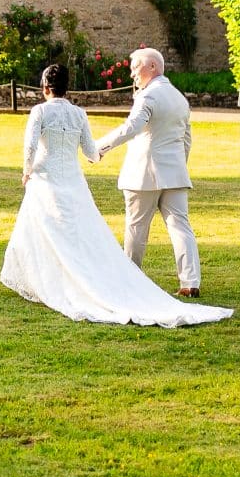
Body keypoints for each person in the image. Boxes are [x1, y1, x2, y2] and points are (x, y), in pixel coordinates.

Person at [1, 64, 231, 327]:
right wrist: (95, 155)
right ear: (67, 88)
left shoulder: (40, 111)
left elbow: (30, 146)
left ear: (44, 88)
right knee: (76, 232)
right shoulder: (78, 113)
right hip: (73, 181)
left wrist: (26, 172)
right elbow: (90, 151)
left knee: (46, 229)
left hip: (46, 178)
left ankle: (48, 279)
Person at [95, 47, 206, 298]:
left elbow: (131, 128)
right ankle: (190, 282)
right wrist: (178, 165)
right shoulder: (179, 98)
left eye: (136, 68)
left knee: (136, 228)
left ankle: (129, 280)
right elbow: (186, 139)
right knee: (181, 227)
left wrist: (99, 148)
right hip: (175, 174)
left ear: (152, 66)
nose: (132, 74)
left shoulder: (148, 96)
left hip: (143, 173)